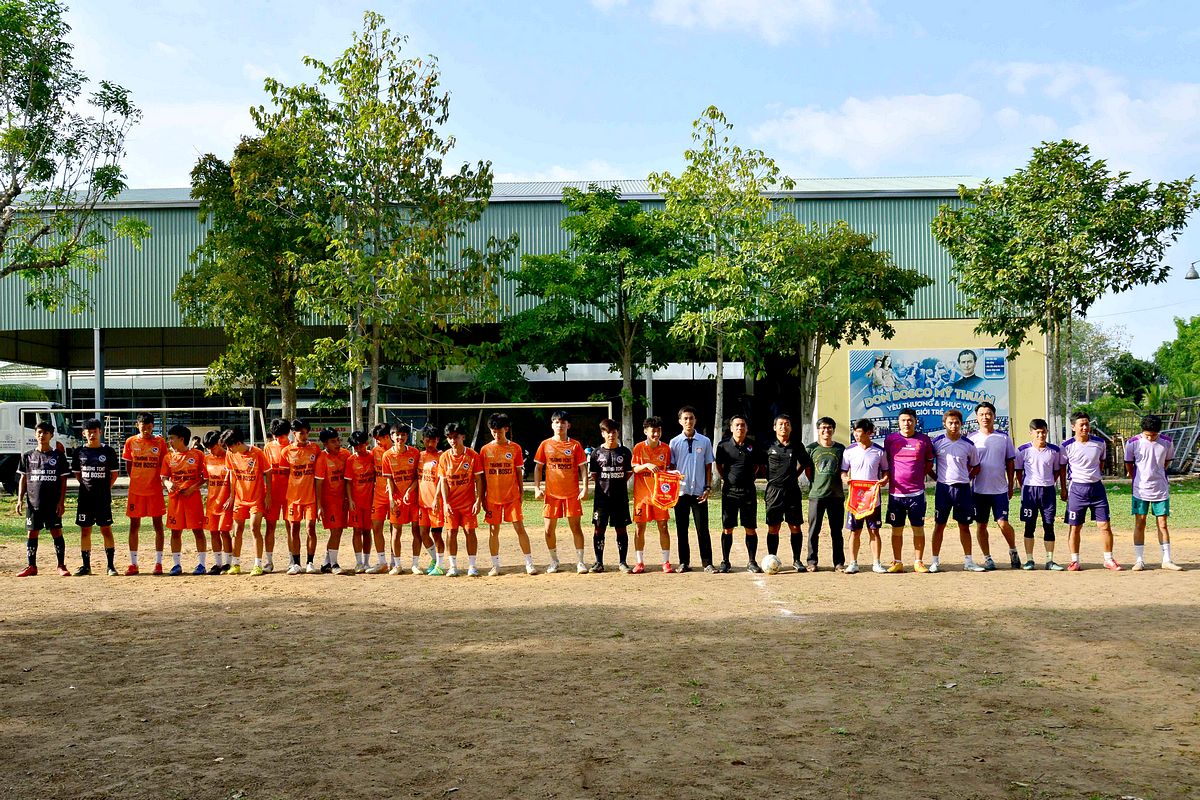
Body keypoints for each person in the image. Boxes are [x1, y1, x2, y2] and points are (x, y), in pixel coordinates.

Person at [1124, 414, 1183, 571]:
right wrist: (1135, 477)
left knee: (1162, 523)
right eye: (1147, 435)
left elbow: (1166, 462)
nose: (1151, 438)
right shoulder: (1132, 443)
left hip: (1160, 489)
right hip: (1140, 489)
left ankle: (1167, 560)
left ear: (1159, 432)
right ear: (1142, 431)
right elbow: (1129, 463)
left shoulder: (1167, 442)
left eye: (1154, 435)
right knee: (1140, 522)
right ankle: (1139, 560)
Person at [533, 410, 589, 574]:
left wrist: (585, 488)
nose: (560, 425)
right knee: (548, 530)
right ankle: (554, 561)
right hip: (551, 495)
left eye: (563, 422)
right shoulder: (545, 444)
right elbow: (538, 467)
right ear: (552, 425)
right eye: (556, 422)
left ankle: (580, 562)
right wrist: (537, 488)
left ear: (568, 425)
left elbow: (583, 468)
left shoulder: (575, 445)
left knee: (576, 528)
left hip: (572, 494)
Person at [480, 413, 536, 576]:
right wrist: (482, 497)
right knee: (493, 530)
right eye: (494, 431)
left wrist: (521, 491)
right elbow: (482, 477)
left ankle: (529, 563)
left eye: (499, 431)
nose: (497, 434)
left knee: (519, 528)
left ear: (506, 429)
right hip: (492, 497)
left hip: (511, 496)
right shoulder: (485, 450)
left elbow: (518, 472)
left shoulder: (515, 448)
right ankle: (495, 565)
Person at [1062, 410, 1118, 571]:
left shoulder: (1100, 443)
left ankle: (1108, 559)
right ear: (1073, 427)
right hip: (1077, 490)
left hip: (1097, 489)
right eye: (1081, 425)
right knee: (1075, 527)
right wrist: (1063, 489)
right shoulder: (1066, 446)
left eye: (1087, 424)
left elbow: (1101, 463)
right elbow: (1062, 468)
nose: (1085, 428)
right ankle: (1074, 561)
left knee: (1104, 525)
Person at [15, 421, 71, 577]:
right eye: (39, 432)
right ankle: (31, 566)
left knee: (56, 532)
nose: (42, 435)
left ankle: (61, 565)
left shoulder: (58, 456)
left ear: (51, 435)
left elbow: (63, 481)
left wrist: (61, 502)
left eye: (46, 433)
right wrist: (19, 500)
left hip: (52, 504)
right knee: (32, 533)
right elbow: (23, 479)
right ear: (35, 434)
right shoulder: (28, 456)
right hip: (33, 503)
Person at [968, 401, 1020, 570]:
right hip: (979, 490)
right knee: (981, 525)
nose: (985, 417)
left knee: (1003, 523)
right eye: (982, 414)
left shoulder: (1003, 438)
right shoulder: (971, 439)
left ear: (994, 416)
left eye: (988, 414)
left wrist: (1011, 485)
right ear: (977, 418)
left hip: (1000, 490)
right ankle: (987, 558)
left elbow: (1010, 462)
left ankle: (1013, 550)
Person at [882, 408, 934, 573]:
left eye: (910, 420)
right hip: (896, 494)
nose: (907, 423)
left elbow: (929, 463)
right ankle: (897, 562)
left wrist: (918, 475)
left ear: (915, 421)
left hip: (916, 494)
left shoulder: (924, 440)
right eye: (903, 420)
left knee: (918, 528)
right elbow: (885, 463)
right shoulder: (890, 440)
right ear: (898, 422)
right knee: (896, 529)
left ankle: (918, 562)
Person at [930, 409, 982, 573]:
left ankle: (968, 561)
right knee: (939, 525)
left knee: (964, 526)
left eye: (956, 423)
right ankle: (935, 561)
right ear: (944, 424)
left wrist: (967, 477)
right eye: (950, 423)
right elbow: (927, 464)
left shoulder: (968, 444)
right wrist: (937, 478)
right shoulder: (937, 442)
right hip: (943, 489)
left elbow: (976, 466)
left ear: (961, 424)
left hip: (963, 489)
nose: (953, 426)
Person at [1014, 418, 1067, 571]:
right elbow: (1019, 472)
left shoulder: (1054, 451)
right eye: (1037, 432)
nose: (1041, 435)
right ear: (1031, 433)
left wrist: (1050, 483)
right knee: (1029, 525)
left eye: (1043, 432)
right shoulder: (1022, 450)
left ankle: (1050, 560)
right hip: (1030, 491)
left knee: (1048, 525)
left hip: (1048, 491)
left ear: (1047, 432)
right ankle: (1029, 560)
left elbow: (1057, 471)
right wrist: (1024, 486)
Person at [714, 414, 765, 573]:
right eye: (736, 425)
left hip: (748, 491)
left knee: (750, 527)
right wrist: (727, 479)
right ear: (731, 428)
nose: (740, 428)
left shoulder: (753, 446)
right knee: (727, 528)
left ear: (746, 428)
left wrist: (749, 478)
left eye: (743, 425)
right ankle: (725, 561)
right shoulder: (723, 446)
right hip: (730, 492)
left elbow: (758, 466)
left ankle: (752, 561)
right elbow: (719, 466)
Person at [764, 414, 814, 573]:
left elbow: (805, 463)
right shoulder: (768, 445)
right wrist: (771, 478)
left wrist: (794, 475)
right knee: (774, 527)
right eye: (780, 424)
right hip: (773, 491)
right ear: (774, 427)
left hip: (792, 490)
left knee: (795, 526)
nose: (783, 427)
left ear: (791, 428)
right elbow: (760, 465)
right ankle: (772, 557)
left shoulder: (797, 445)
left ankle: (797, 560)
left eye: (787, 424)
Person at [668, 406, 714, 573]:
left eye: (691, 418)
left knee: (703, 529)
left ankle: (707, 563)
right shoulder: (674, 442)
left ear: (695, 420)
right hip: (680, 492)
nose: (688, 421)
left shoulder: (705, 441)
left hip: (699, 492)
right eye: (685, 418)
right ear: (680, 421)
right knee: (682, 529)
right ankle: (683, 562)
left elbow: (708, 466)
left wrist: (708, 487)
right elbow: (671, 468)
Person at [72, 418, 120, 576]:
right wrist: (88, 488)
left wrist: (104, 489)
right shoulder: (79, 452)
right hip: (85, 499)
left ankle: (110, 566)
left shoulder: (108, 451)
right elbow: (78, 475)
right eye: (89, 432)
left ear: (101, 432)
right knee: (85, 531)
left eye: (95, 431)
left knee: (106, 530)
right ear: (83, 433)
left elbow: (114, 475)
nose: (92, 434)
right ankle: (86, 566)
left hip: (103, 499)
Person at [840, 418, 889, 574]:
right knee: (855, 531)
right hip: (856, 498)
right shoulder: (849, 451)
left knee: (874, 530)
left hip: (873, 499)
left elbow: (886, 471)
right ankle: (853, 562)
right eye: (854, 431)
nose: (856, 434)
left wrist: (884, 479)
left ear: (869, 433)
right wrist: (845, 479)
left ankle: (876, 563)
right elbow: (843, 471)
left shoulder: (879, 451)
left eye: (859, 431)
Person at [122, 412, 168, 575]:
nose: (146, 431)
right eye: (143, 428)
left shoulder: (160, 442)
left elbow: (163, 465)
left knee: (158, 525)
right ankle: (133, 563)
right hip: (136, 491)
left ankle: (158, 563)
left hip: (155, 491)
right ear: (137, 426)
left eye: (149, 427)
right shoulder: (130, 441)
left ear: (153, 426)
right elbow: (129, 466)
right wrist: (136, 480)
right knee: (134, 526)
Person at [222, 427, 272, 576]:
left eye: (230, 446)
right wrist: (232, 496)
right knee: (237, 530)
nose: (228, 449)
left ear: (238, 443)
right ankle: (236, 564)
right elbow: (232, 475)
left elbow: (268, 473)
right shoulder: (230, 454)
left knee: (254, 528)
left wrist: (268, 495)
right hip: (240, 499)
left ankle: (258, 564)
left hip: (256, 498)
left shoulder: (257, 453)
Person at [437, 422, 485, 577]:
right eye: (450, 437)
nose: (453, 440)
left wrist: (478, 501)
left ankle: (472, 566)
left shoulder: (473, 455)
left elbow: (479, 480)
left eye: (456, 437)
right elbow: (443, 482)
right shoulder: (444, 457)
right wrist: (445, 503)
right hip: (451, 504)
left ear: (462, 437)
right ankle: (453, 566)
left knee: (470, 531)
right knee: (451, 532)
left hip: (468, 503)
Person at [160, 424, 208, 575]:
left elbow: (205, 477)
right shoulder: (168, 457)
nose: (169, 441)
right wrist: (168, 483)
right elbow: (164, 477)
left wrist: (193, 488)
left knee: (198, 531)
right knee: (175, 532)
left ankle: (201, 564)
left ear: (181, 439)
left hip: (193, 499)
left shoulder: (198, 455)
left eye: (172, 438)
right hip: (176, 500)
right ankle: (176, 565)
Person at [631, 416, 674, 574]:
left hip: (660, 497)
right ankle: (639, 562)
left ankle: (666, 562)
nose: (656, 434)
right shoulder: (639, 447)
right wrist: (647, 465)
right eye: (653, 431)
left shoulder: (666, 449)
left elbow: (668, 470)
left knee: (663, 526)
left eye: (658, 431)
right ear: (645, 431)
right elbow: (634, 469)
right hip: (642, 497)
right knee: (639, 528)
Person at [590, 418, 633, 572]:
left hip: (620, 498)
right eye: (607, 432)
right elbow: (595, 475)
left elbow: (628, 473)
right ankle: (598, 562)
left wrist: (617, 483)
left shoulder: (625, 452)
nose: (611, 435)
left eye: (613, 432)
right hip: (601, 499)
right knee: (599, 529)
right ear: (602, 433)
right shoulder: (596, 453)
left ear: (617, 433)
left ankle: (623, 562)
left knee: (621, 529)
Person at [280, 418, 322, 575]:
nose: (304, 436)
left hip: (310, 497)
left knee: (311, 528)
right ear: (293, 433)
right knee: (293, 529)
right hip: (293, 498)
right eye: (301, 433)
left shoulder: (315, 449)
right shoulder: (286, 452)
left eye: (306, 433)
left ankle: (310, 562)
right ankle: (296, 563)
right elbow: (284, 475)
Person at [381, 422, 424, 575]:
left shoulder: (415, 453)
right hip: (397, 499)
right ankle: (397, 565)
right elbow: (389, 479)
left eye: (403, 435)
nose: (400, 437)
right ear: (392, 437)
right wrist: (391, 499)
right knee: (395, 531)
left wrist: (409, 491)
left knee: (416, 531)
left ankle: (415, 564)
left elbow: (417, 477)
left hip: (414, 499)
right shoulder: (387, 455)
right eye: (397, 435)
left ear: (407, 436)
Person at [806, 417, 846, 572]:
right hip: (817, 495)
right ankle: (812, 561)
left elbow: (844, 469)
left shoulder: (840, 449)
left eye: (829, 427)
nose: (826, 430)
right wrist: (817, 484)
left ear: (833, 430)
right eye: (823, 427)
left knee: (836, 531)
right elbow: (808, 471)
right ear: (818, 430)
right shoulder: (811, 448)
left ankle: (839, 562)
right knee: (813, 530)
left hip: (836, 496)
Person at [314, 428, 351, 574]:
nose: (337, 444)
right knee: (335, 531)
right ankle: (334, 564)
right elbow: (318, 483)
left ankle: (326, 563)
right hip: (329, 501)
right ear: (325, 444)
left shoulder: (345, 454)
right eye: (333, 441)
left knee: (339, 530)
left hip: (342, 500)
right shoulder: (322, 458)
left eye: (338, 440)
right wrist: (319, 505)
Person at [416, 425, 448, 575]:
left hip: (436, 504)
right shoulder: (420, 456)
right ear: (423, 439)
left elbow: (442, 480)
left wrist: (437, 498)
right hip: (422, 503)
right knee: (423, 533)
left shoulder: (442, 456)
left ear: (438, 440)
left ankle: (440, 566)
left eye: (433, 441)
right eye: (427, 440)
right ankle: (435, 560)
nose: (430, 444)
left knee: (436, 534)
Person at [343, 431, 377, 574]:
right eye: (355, 447)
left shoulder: (373, 456)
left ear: (366, 444)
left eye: (360, 446)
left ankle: (367, 562)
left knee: (367, 531)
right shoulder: (351, 460)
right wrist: (350, 500)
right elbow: (348, 482)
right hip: (356, 502)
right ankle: (359, 563)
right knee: (357, 530)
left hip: (370, 501)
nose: (358, 449)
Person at [261, 417, 292, 574]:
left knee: (291, 527)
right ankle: (269, 561)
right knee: (270, 527)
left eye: (282, 436)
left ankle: (293, 561)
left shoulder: (293, 447)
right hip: (272, 494)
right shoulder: (268, 448)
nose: (279, 439)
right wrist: (267, 494)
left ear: (288, 433)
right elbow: (265, 472)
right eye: (276, 436)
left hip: (290, 495)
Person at [202, 430, 234, 574]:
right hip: (212, 503)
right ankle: (217, 563)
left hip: (226, 502)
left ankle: (228, 563)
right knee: (213, 532)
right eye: (208, 448)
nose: (211, 450)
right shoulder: (207, 459)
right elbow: (205, 479)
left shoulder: (230, 457)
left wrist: (232, 497)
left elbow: (235, 480)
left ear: (221, 443)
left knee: (224, 532)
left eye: (213, 447)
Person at [365, 422, 394, 574]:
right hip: (378, 496)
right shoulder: (375, 451)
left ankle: (395, 561)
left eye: (379, 439)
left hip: (395, 496)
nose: (377, 442)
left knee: (394, 529)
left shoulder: (397, 451)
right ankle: (382, 562)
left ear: (387, 437)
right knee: (376, 527)